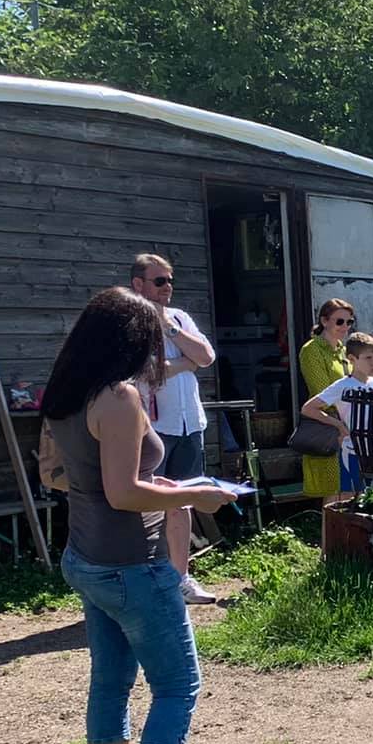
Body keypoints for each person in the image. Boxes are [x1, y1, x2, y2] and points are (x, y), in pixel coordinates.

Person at [44, 288, 234, 744]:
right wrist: (195, 494)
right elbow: (123, 493)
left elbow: (69, 476)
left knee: (110, 683)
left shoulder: (67, 393)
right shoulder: (119, 397)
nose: (157, 352)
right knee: (177, 686)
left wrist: (163, 486)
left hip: (87, 558)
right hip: (132, 564)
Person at [129, 254, 217, 604]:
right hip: (152, 428)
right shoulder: (128, 320)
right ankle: (144, 579)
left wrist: (170, 328)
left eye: (170, 280)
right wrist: (184, 362)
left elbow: (206, 357)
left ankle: (181, 577)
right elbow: (143, 371)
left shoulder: (179, 317)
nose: (168, 287)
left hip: (188, 424)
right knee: (144, 505)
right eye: (159, 281)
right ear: (138, 284)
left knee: (183, 502)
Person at [300, 333, 373, 496]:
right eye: (368, 358)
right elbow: (309, 408)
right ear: (352, 359)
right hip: (352, 449)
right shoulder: (343, 385)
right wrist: (338, 425)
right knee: (351, 495)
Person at [298, 298, 354, 507]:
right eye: (340, 321)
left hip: (348, 426)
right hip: (327, 426)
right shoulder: (312, 350)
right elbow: (322, 392)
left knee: (349, 491)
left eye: (349, 322)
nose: (345, 327)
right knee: (332, 494)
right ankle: (329, 530)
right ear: (324, 321)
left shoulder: (344, 351)